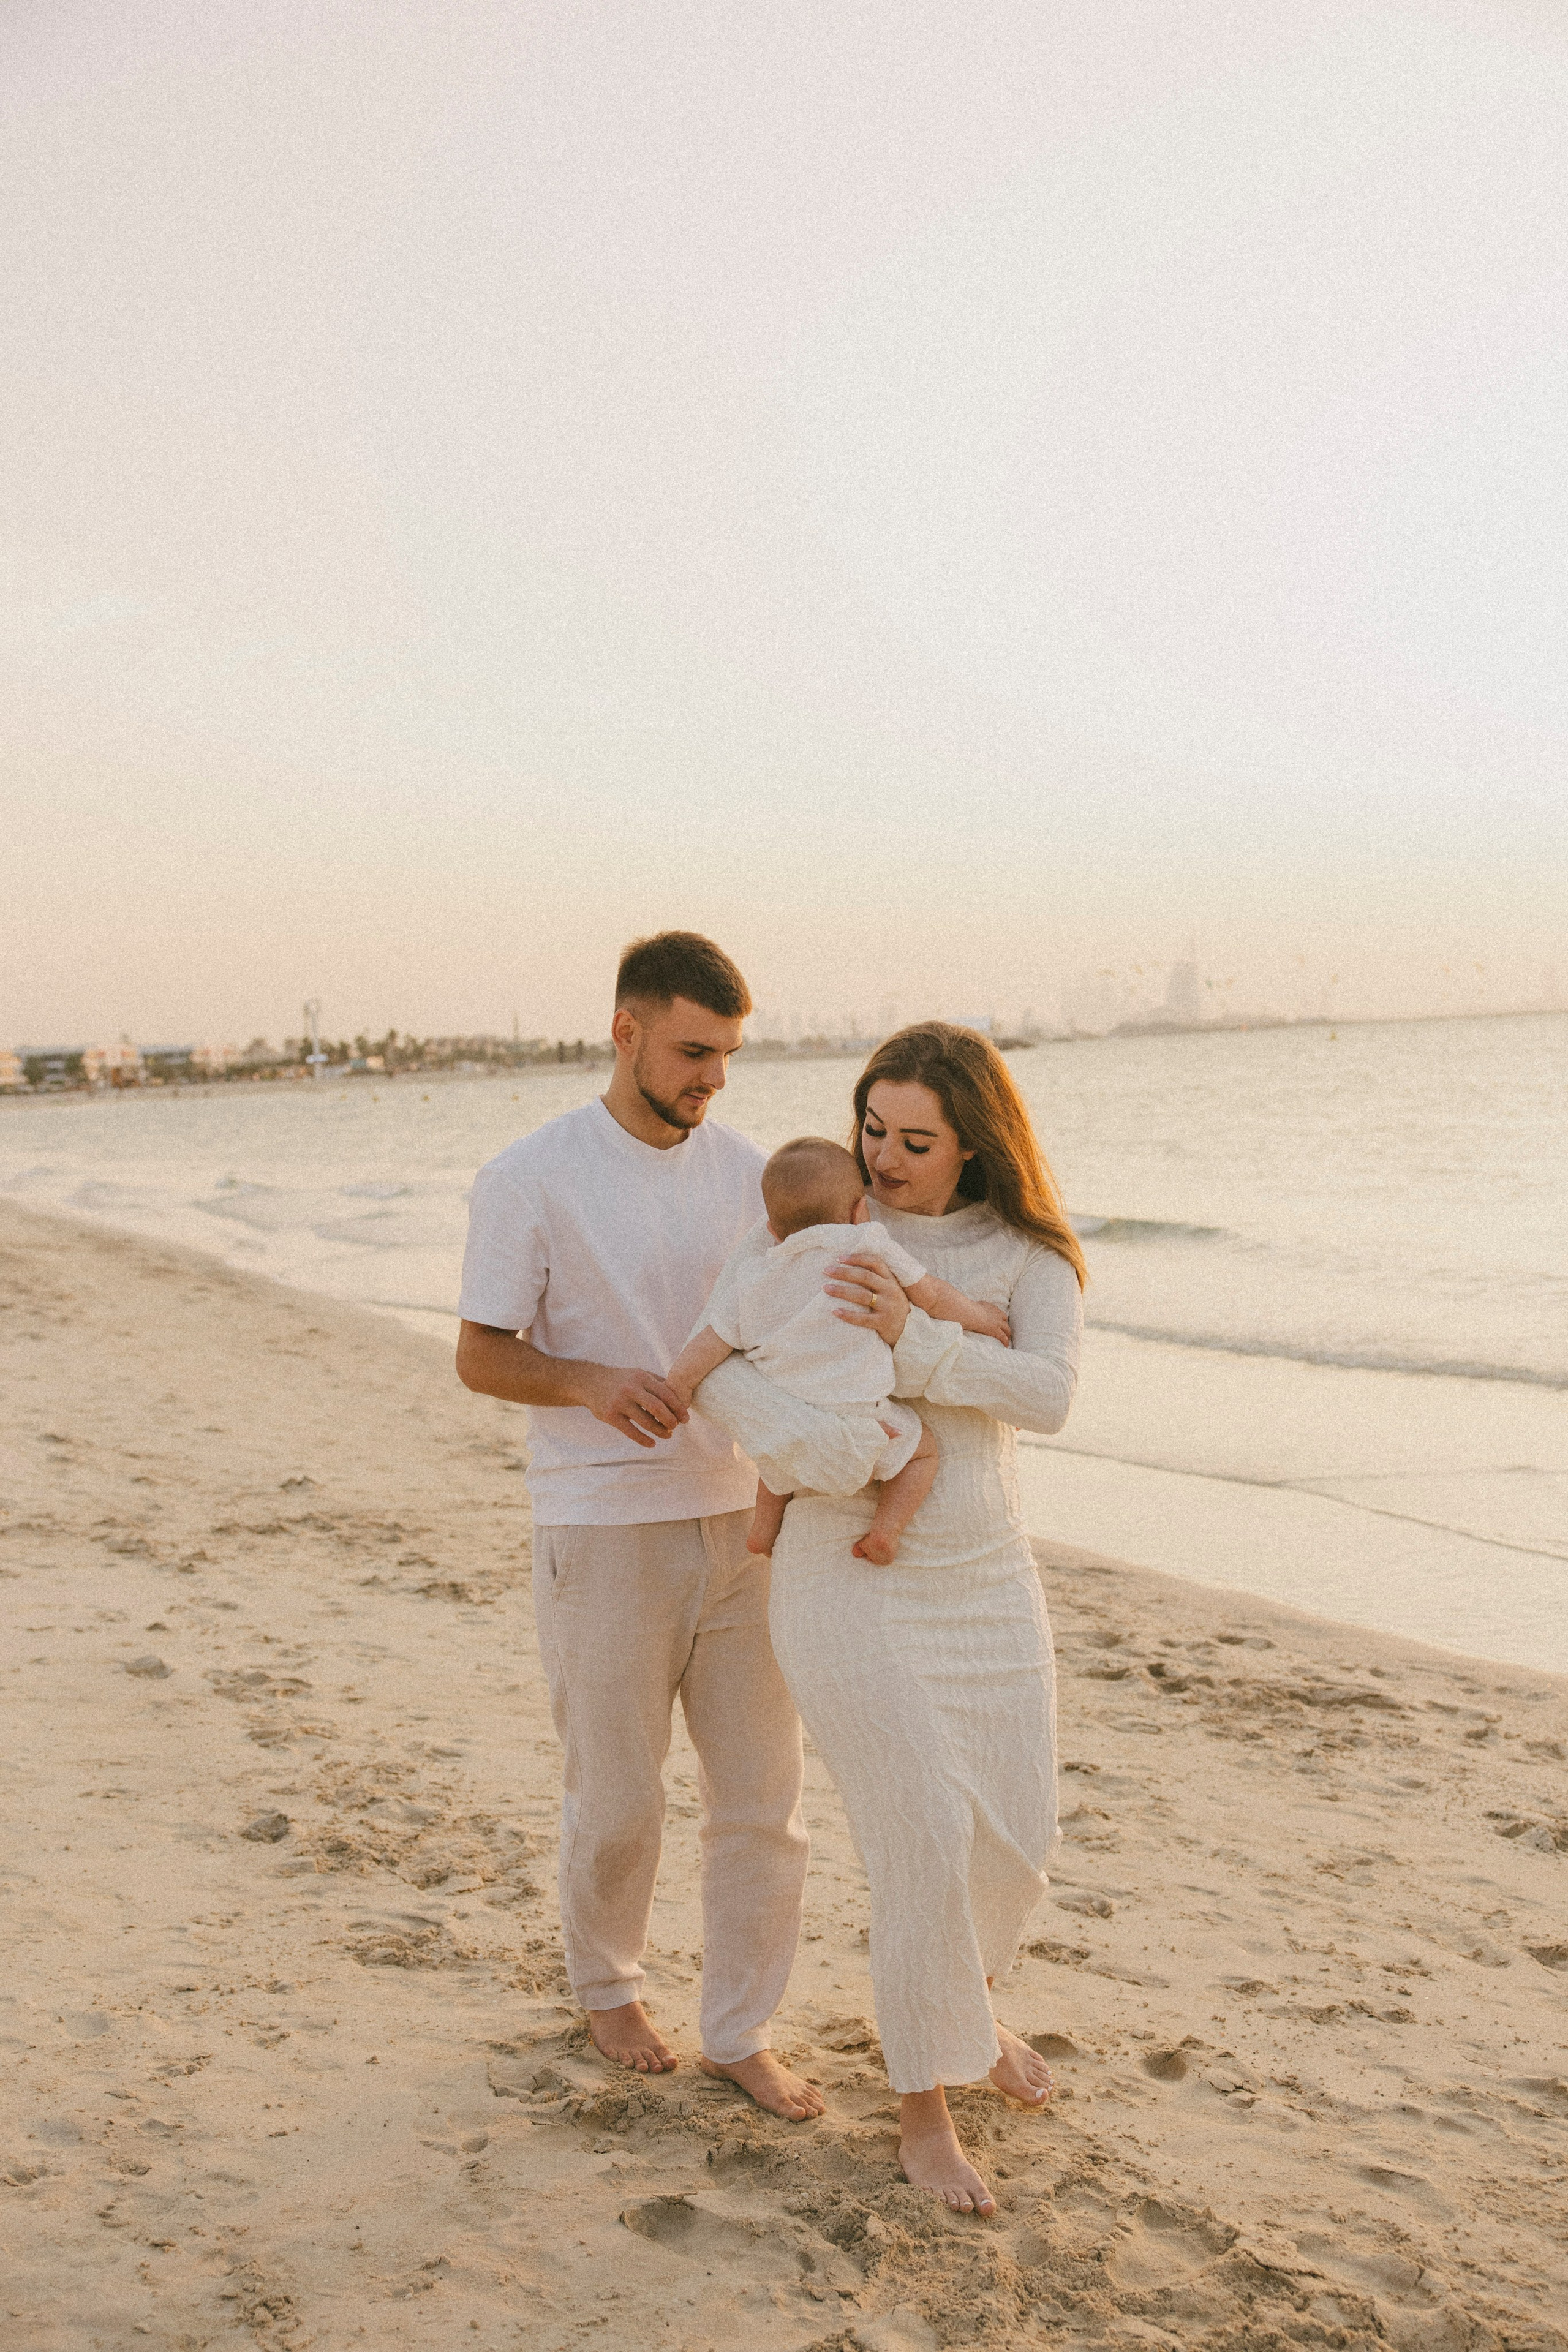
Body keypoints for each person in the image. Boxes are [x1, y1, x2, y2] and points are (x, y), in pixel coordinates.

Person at [454, 931, 848, 2122]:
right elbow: (479, 1354)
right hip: (601, 1522)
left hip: (742, 1521)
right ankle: (608, 1987)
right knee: (619, 1793)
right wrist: (585, 1384)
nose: (710, 1079)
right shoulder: (529, 1174)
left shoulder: (748, 1175)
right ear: (625, 1032)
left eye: (725, 1056)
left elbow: (798, 1316)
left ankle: (740, 2026)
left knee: (760, 1801)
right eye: (690, 1052)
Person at [692, 1024, 1085, 2212]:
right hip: (843, 1575)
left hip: (979, 1574)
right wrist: (815, 1440)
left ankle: (964, 2013)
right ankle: (923, 2106)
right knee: (917, 1830)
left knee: (1009, 1827)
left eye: (915, 1140)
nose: (885, 1157)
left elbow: (1049, 1396)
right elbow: (718, 1365)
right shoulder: (812, 1229)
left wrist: (909, 1345)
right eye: (872, 1130)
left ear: (975, 1143)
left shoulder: (1027, 1260)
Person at [667, 1135, 1010, 1566]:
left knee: (773, 1462)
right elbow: (934, 1297)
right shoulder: (866, 1243)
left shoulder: (753, 1279)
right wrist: (980, 1316)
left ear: (772, 1231)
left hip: (792, 1423)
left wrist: (678, 1384)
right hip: (865, 1422)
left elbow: (711, 1341)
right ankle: (887, 1530)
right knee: (923, 1452)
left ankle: (763, 1530)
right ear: (858, 1210)